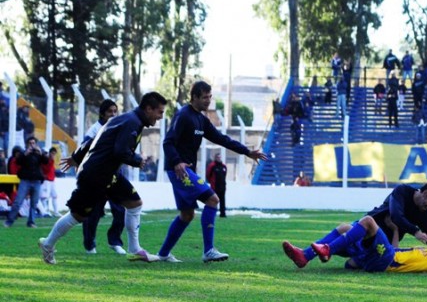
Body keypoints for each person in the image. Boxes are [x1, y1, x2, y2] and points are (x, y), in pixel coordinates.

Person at [38, 92, 167, 264]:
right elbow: (120, 151)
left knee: (134, 203)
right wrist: (137, 160)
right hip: (95, 175)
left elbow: (94, 140)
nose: (160, 117)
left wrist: (76, 157)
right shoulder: (132, 122)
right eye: (159, 112)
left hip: (106, 174)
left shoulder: (127, 120)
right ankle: (48, 244)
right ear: (148, 108)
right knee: (78, 215)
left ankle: (135, 249)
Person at [157, 81, 267, 263]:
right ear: (194, 97)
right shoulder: (183, 115)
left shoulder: (201, 119)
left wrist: (247, 152)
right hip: (179, 170)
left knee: (187, 214)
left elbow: (221, 139)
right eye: (204, 97)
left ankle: (163, 254)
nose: (208, 101)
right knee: (213, 199)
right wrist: (177, 162)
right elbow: (168, 142)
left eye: (210, 97)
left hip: (185, 170)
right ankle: (208, 251)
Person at [282, 215, 427, 274]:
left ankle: (327, 250)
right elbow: (396, 249)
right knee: (344, 228)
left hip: (386, 261)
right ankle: (305, 256)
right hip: (383, 257)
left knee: (368, 221)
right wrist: (395, 230)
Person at [60, 99, 128, 255]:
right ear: (102, 113)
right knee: (93, 212)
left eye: (115, 111)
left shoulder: (118, 127)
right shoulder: (94, 130)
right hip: (97, 177)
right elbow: (84, 150)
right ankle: (90, 245)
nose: (113, 114)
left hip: (115, 175)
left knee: (120, 210)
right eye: (110, 111)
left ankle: (114, 241)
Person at [4, 136, 48, 228]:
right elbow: (18, 162)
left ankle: (31, 222)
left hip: (36, 181)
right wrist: (25, 154)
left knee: (34, 203)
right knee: (18, 201)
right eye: (30, 143)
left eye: (33, 143)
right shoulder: (23, 153)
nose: (32, 145)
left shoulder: (39, 153)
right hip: (25, 180)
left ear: (36, 144)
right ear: (27, 144)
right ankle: (9, 221)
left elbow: (46, 162)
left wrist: (41, 153)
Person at [206, 153, 227, 218]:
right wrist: (211, 182)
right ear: (215, 158)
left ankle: (222, 214)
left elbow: (225, 175)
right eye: (217, 157)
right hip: (215, 187)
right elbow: (208, 175)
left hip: (222, 186)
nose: (219, 158)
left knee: (222, 200)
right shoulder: (212, 166)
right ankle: (213, 213)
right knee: (214, 200)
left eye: (220, 157)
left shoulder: (224, 166)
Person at [40, 147, 59, 217]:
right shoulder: (44, 161)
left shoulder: (49, 160)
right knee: (45, 197)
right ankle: (45, 212)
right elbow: (46, 169)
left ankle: (56, 212)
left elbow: (51, 170)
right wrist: (51, 161)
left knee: (54, 196)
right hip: (46, 180)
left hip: (51, 180)